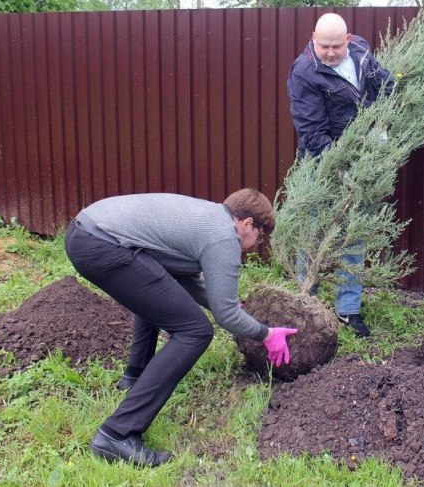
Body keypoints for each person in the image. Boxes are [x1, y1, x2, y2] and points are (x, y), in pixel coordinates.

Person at [64, 189, 297, 467]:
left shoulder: (208, 217)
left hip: (84, 232)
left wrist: (229, 305)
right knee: (196, 331)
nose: (256, 243)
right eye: (260, 235)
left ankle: (134, 377)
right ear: (247, 223)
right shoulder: (224, 237)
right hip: (102, 244)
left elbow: (185, 280)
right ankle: (117, 434)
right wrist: (267, 334)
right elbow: (225, 316)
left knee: (156, 292)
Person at [286, 13, 395, 337]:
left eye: (336, 46)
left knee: (355, 233)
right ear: (313, 38)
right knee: (312, 235)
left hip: (362, 160)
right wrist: (342, 166)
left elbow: (387, 84)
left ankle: (348, 309)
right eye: (324, 46)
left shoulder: (360, 52)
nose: (331, 53)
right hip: (320, 165)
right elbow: (311, 132)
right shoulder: (304, 72)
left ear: (348, 40)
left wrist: (381, 124)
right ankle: (306, 304)